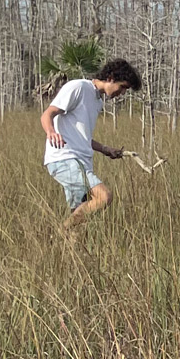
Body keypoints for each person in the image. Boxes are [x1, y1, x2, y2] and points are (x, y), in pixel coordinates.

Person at [40, 58, 144, 231]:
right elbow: (48, 114)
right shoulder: (79, 87)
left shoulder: (97, 101)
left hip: (82, 162)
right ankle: (60, 231)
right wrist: (51, 132)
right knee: (104, 197)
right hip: (64, 158)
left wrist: (105, 149)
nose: (123, 92)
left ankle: (67, 248)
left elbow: (82, 136)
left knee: (80, 220)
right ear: (111, 77)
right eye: (123, 86)